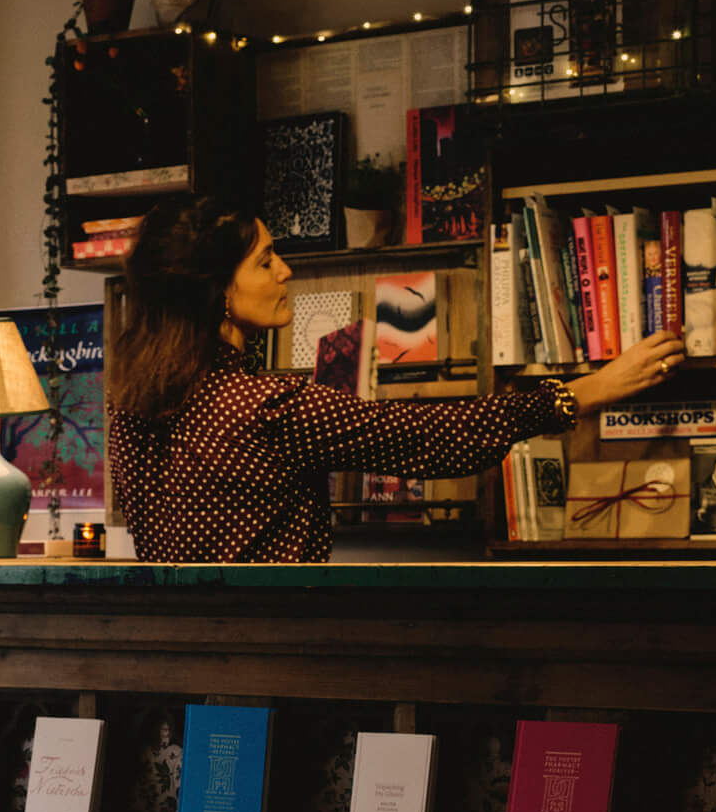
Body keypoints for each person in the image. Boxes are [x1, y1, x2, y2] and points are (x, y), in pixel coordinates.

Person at [109, 197, 684, 562]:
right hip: (275, 647)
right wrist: (581, 392)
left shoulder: (130, 405)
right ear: (217, 290)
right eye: (265, 260)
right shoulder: (263, 405)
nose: (285, 269)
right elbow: (421, 437)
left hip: (184, 650)